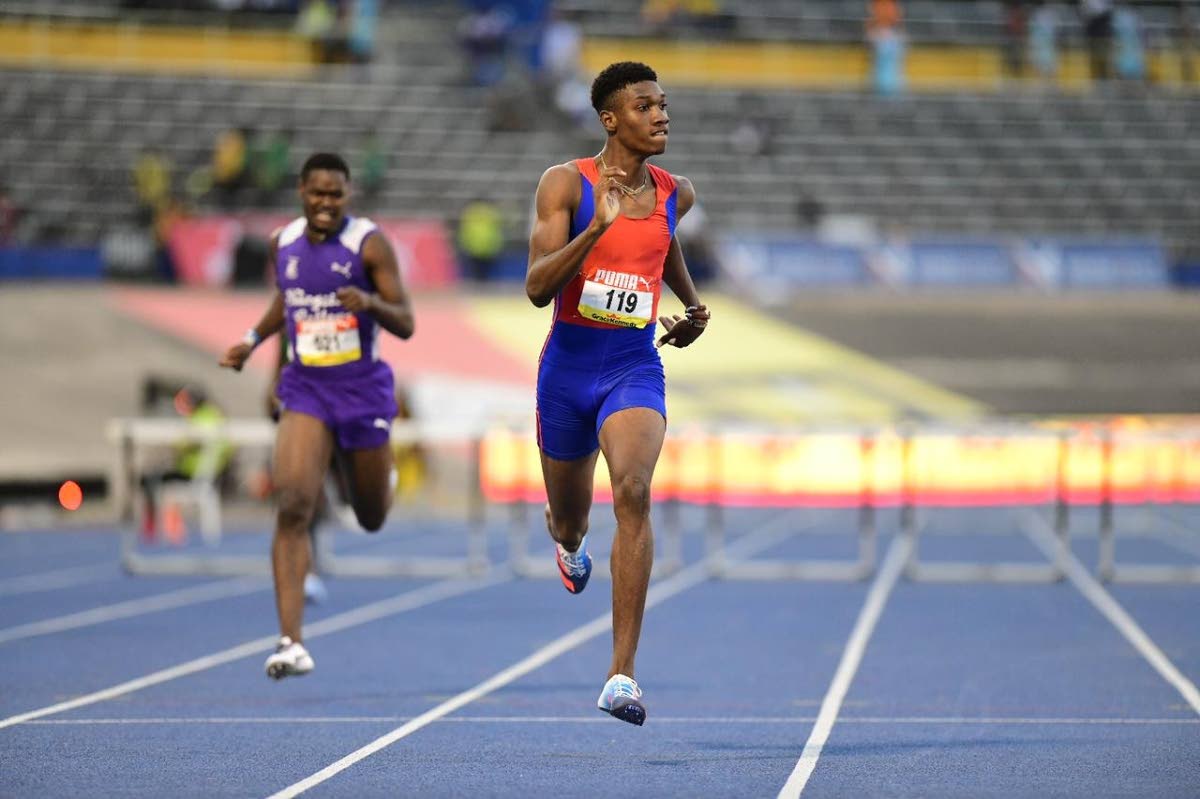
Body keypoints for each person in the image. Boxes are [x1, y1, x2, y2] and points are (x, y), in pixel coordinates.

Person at [525, 61, 709, 726]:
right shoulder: (563, 185)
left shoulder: (673, 191)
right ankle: (568, 540)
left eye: (663, 104)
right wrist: (596, 228)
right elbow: (537, 286)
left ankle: (621, 675)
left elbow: (665, 249)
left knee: (632, 489)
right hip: (568, 369)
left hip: (633, 363)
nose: (661, 115)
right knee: (570, 515)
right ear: (611, 119)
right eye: (645, 106)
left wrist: (691, 305)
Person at [220, 152, 415, 680]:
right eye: (316, 193)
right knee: (292, 504)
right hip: (306, 388)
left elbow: (407, 322)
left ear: (348, 195)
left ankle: (377, 476)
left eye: (336, 195)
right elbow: (288, 301)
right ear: (301, 191)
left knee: (370, 515)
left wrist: (368, 304)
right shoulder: (282, 242)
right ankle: (291, 641)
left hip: (361, 389)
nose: (326, 203)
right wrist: (252, 340)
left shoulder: (368, 244)